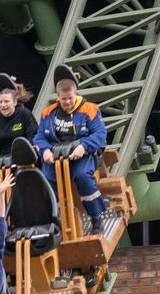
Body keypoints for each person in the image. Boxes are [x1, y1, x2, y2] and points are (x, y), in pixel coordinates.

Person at [33, 65, 107, 233]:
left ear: (76, 94)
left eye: (70, 98)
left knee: (83, 177)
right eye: (63, 99)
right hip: (55, 157)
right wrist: (45, 150)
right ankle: (55, 220)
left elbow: (100, 134)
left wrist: (83, 146)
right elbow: (39, 137)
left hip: (80, 155)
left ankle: (96, 218)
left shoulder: (90, 109)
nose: (67, 102)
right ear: (58, 97)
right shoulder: (48, 113)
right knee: (45, 180)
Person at [0, 80, 38, 172]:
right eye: (0, 102)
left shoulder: (24, 114)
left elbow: (32, 136)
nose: (3, 105)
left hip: (23, 158)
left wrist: (29, 153)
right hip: (3, 161)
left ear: (14, 102)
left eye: (6, 101)